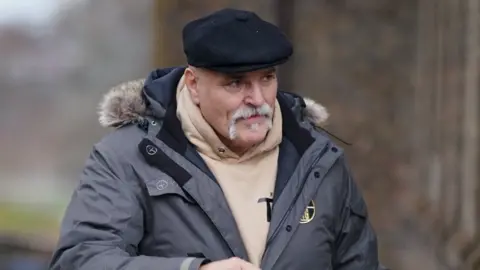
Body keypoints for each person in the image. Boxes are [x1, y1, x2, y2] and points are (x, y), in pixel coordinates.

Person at [49, 8, 387, 270]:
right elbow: (82, 259)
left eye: (267, 78)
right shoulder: (126, 159)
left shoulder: (320, 159)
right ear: (194, 85)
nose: (258, 99)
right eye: (236, 83)